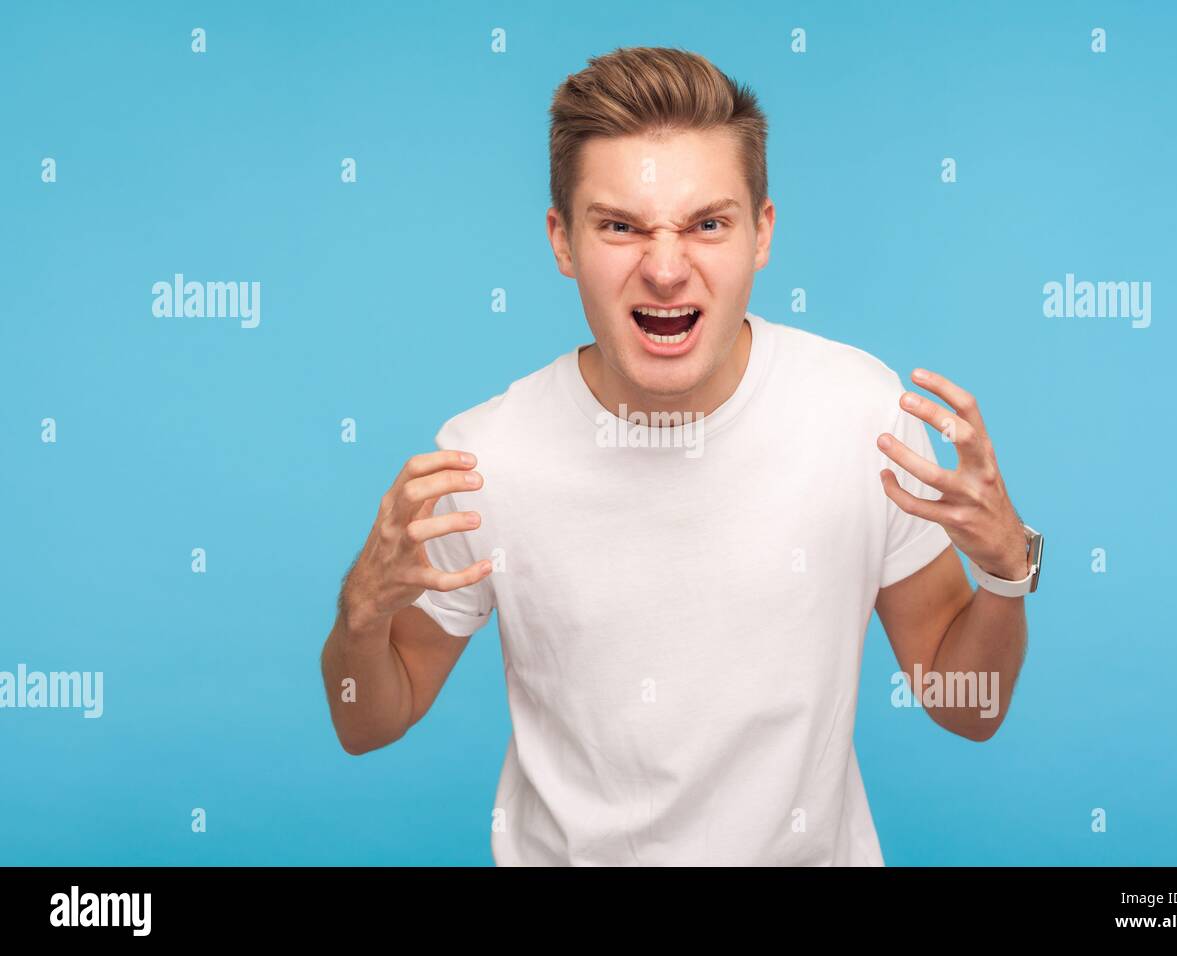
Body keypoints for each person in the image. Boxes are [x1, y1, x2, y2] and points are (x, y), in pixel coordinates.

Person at [320, 46, 1042, 866]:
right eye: (620, 227)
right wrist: (361, 610)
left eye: (708, 224)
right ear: (562, 242)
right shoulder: (486, 459)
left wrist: (1006, 572)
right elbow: (365, 723)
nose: (665, 270)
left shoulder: (861, 417)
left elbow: (967, 709)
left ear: (761, 232)